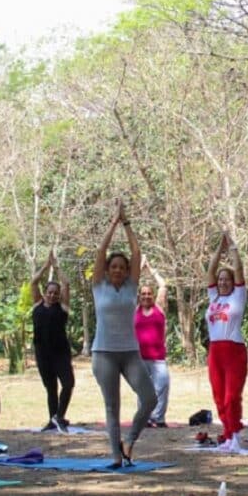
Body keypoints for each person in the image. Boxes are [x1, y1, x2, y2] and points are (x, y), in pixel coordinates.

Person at [91, 200, 158, 468]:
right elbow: (101, 251)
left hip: (130, 352)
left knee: (150, 398)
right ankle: (116, 457)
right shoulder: (98, 286)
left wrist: (126, 222)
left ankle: (129, 441)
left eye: (122, 266)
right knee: (112, 406)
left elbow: (137, 251)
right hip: (104, 353)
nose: (118, 270)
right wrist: (112, 224)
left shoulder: (131, 287)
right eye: (114, 266)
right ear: (107, 270)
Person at [205, 232, 248, 451]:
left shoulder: (237, 297)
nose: (222, 282)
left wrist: (232, 248)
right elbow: (210, 271)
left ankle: (236, 434)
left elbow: (239, 269)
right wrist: (218, 249)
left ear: (233, 283)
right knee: (219, 396)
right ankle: (228, 434)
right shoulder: (214, 298)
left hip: (234, 350)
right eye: (220, 280)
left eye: (226, 279)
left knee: (232, 396)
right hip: (215, 351)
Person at [30, 251, 74, 434]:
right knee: (51, 388)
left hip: (60, 353)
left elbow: (66, 283)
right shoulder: (37, 304)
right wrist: (45, 267)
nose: (53, 295)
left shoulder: (62, 307)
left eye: (55, 293)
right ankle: (52, 420)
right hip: (43, 353)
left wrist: (56, 267)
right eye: (50, 292)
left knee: (68, 383)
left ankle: (59, 416)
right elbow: (33, 282)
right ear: (45, 293)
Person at [135, 257, 170, 428]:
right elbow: (131, 286)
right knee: (142, 390)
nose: (146, 296)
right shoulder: (135, 310)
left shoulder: (159, 308)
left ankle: (158, 418)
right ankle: (144, 418)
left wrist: (150, 268)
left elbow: (163, 285)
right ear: (139, 296)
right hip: (139, 358)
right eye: (143, 293)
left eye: (149, 293)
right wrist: (139, 268)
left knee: (162, 386)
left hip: (158, 359)